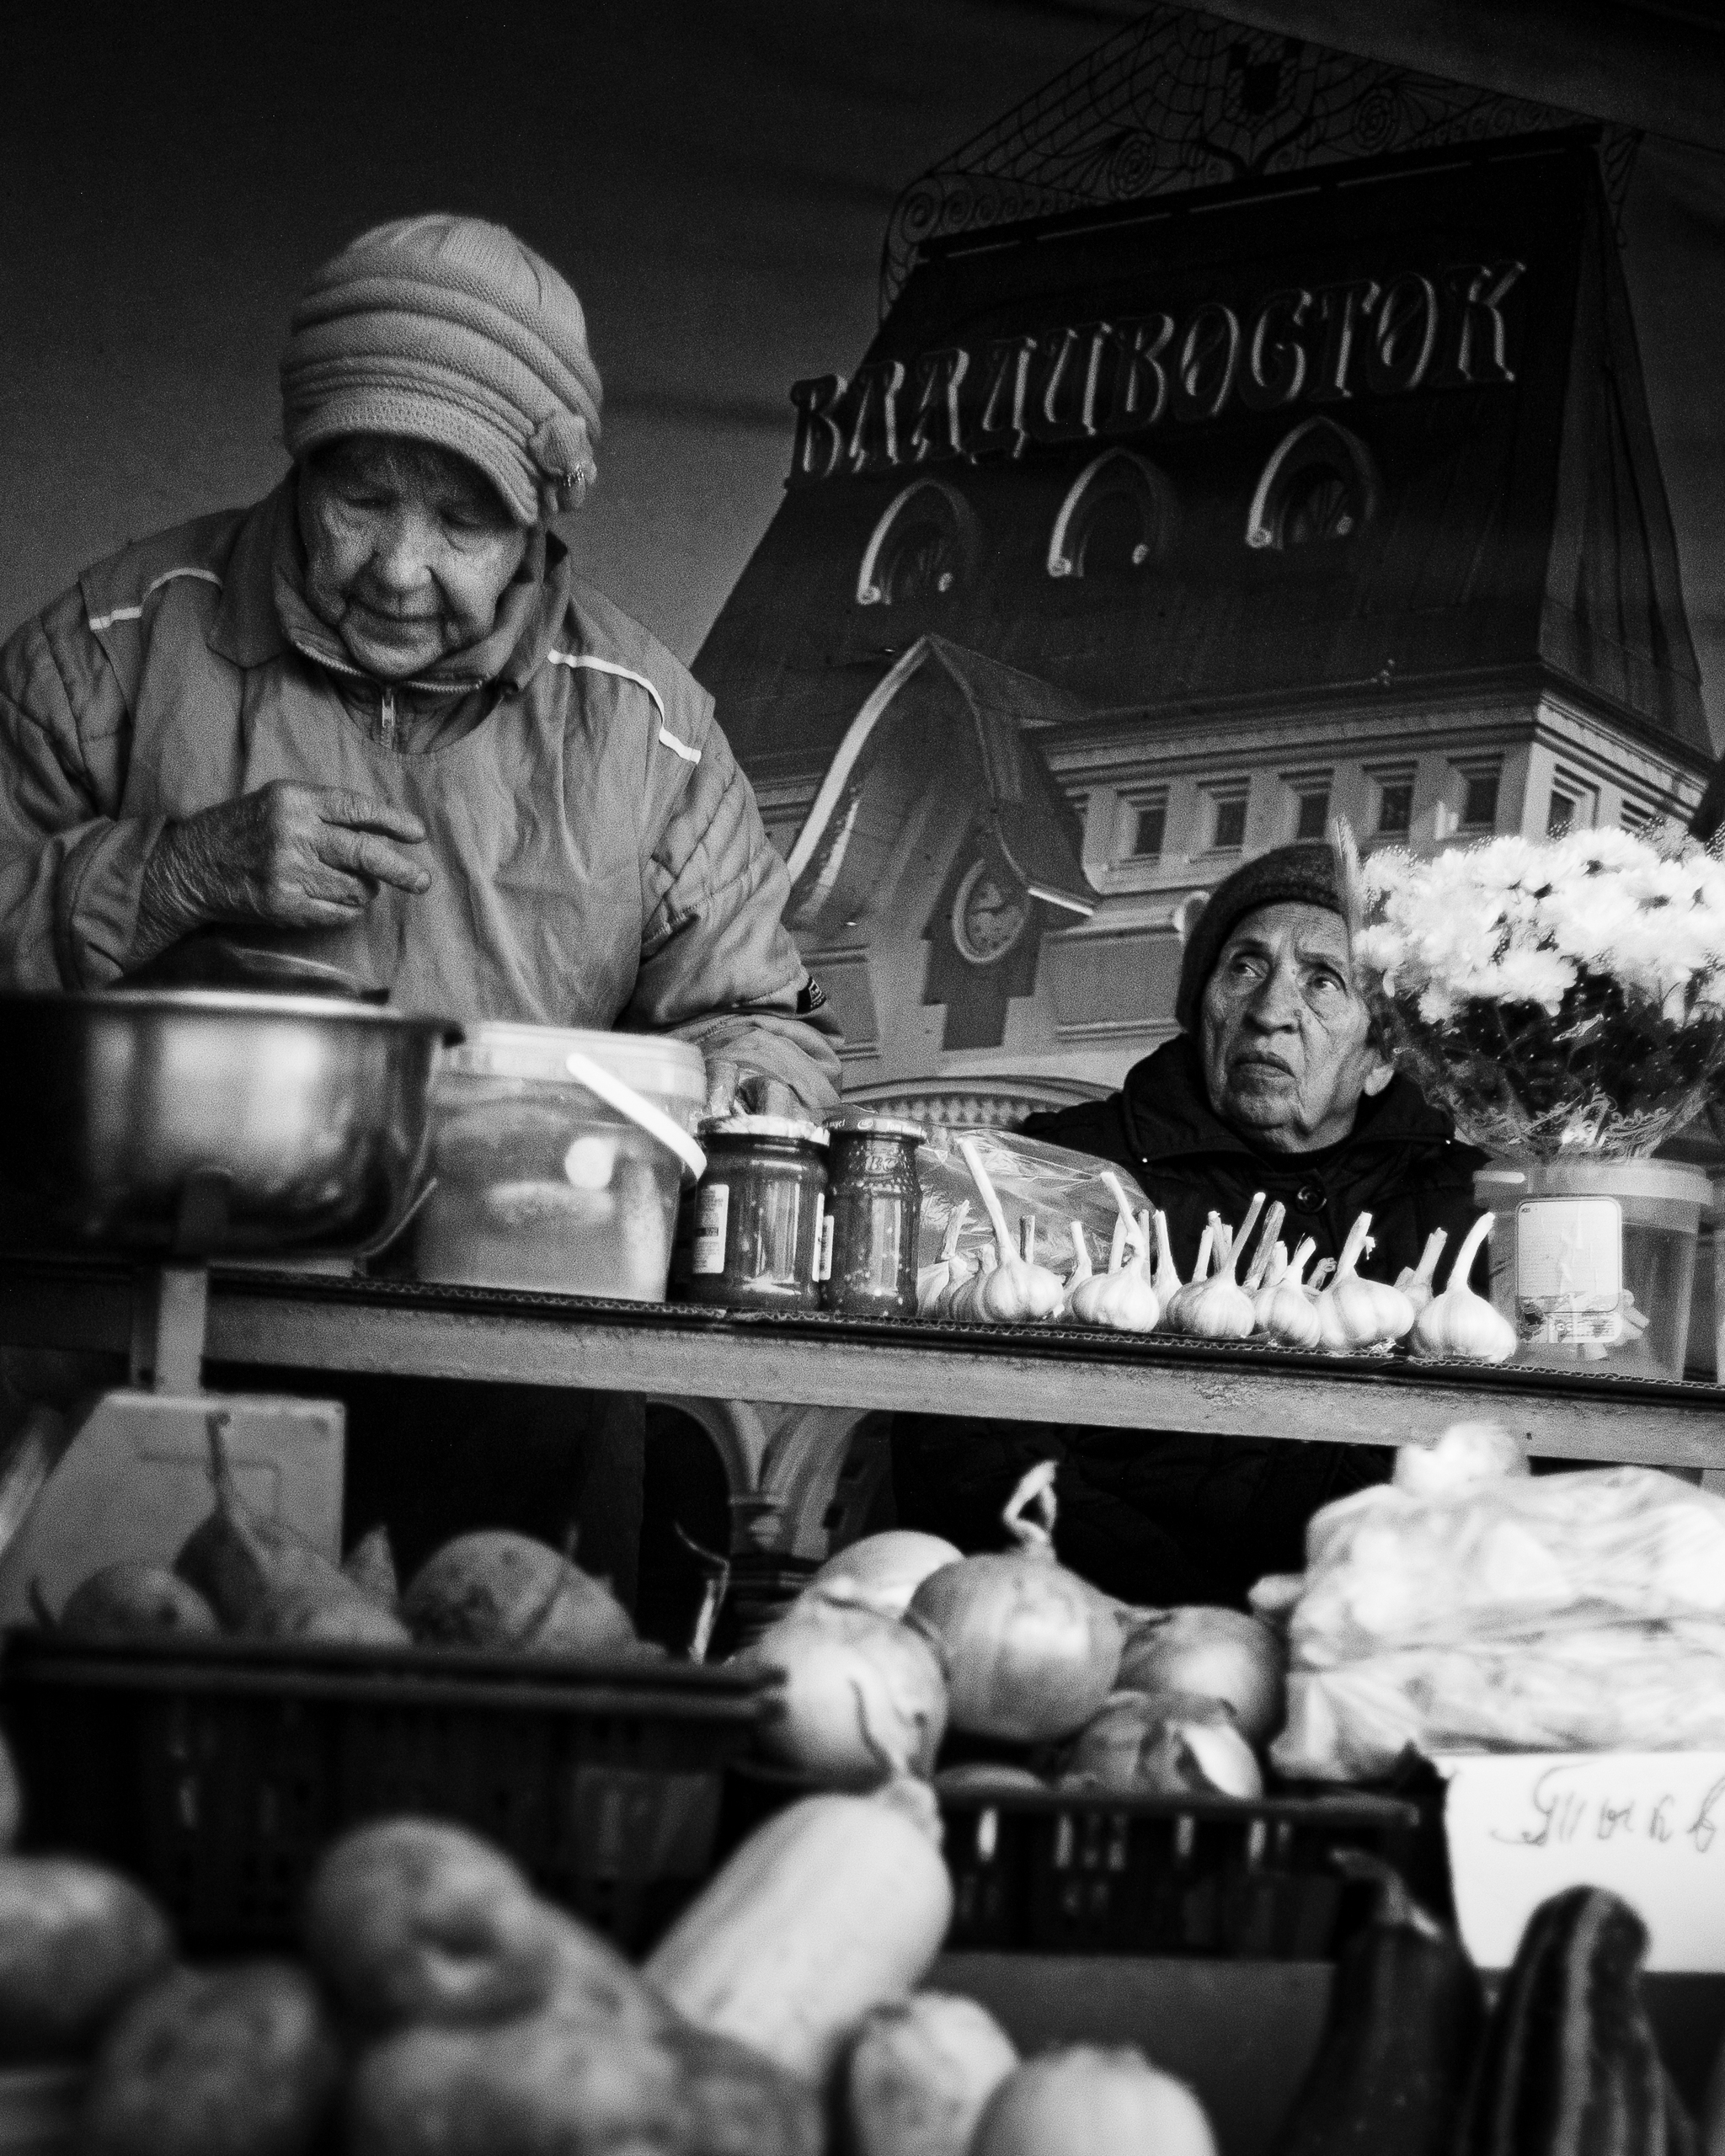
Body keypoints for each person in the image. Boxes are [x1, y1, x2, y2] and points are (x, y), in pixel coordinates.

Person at [0, 213, 838, 1111]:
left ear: (536, 521)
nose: (399, 571)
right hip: (143, 1234)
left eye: (460, 523)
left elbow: (759, 1024)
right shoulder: (111, 649)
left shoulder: (648, 737)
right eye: (360, 500)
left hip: (506, 1239)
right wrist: (174, 875)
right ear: (304, 465)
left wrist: (745, 1088)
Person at [892, 841, 1487, 1606]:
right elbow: (964, 1441)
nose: (1270, 1013)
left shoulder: (1466, 1201)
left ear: (1382, 1049)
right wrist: (1190, 1612)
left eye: (1324, 981)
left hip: (1381, 1635)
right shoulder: (1066, 1169)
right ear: (1198, 999)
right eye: (1243, 966)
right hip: (1109, 1622)